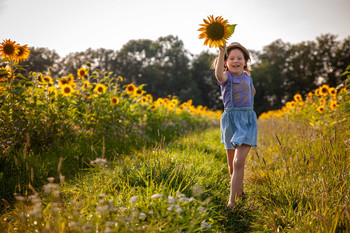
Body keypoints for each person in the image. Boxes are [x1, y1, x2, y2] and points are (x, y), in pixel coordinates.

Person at [213, 42, 258, 208]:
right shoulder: (226, 77)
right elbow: (218, 76)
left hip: (246, 121)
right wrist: (220, 52)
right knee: (232, 165)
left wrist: (247, 106)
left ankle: (231, 202)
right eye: (231, 58)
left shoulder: (248, 77)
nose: (236, 61)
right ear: (225, 62)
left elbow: (252, 92)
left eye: (240, 58)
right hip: (230, 122)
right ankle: (239, 190)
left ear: (246, 61)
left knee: (239, 162)